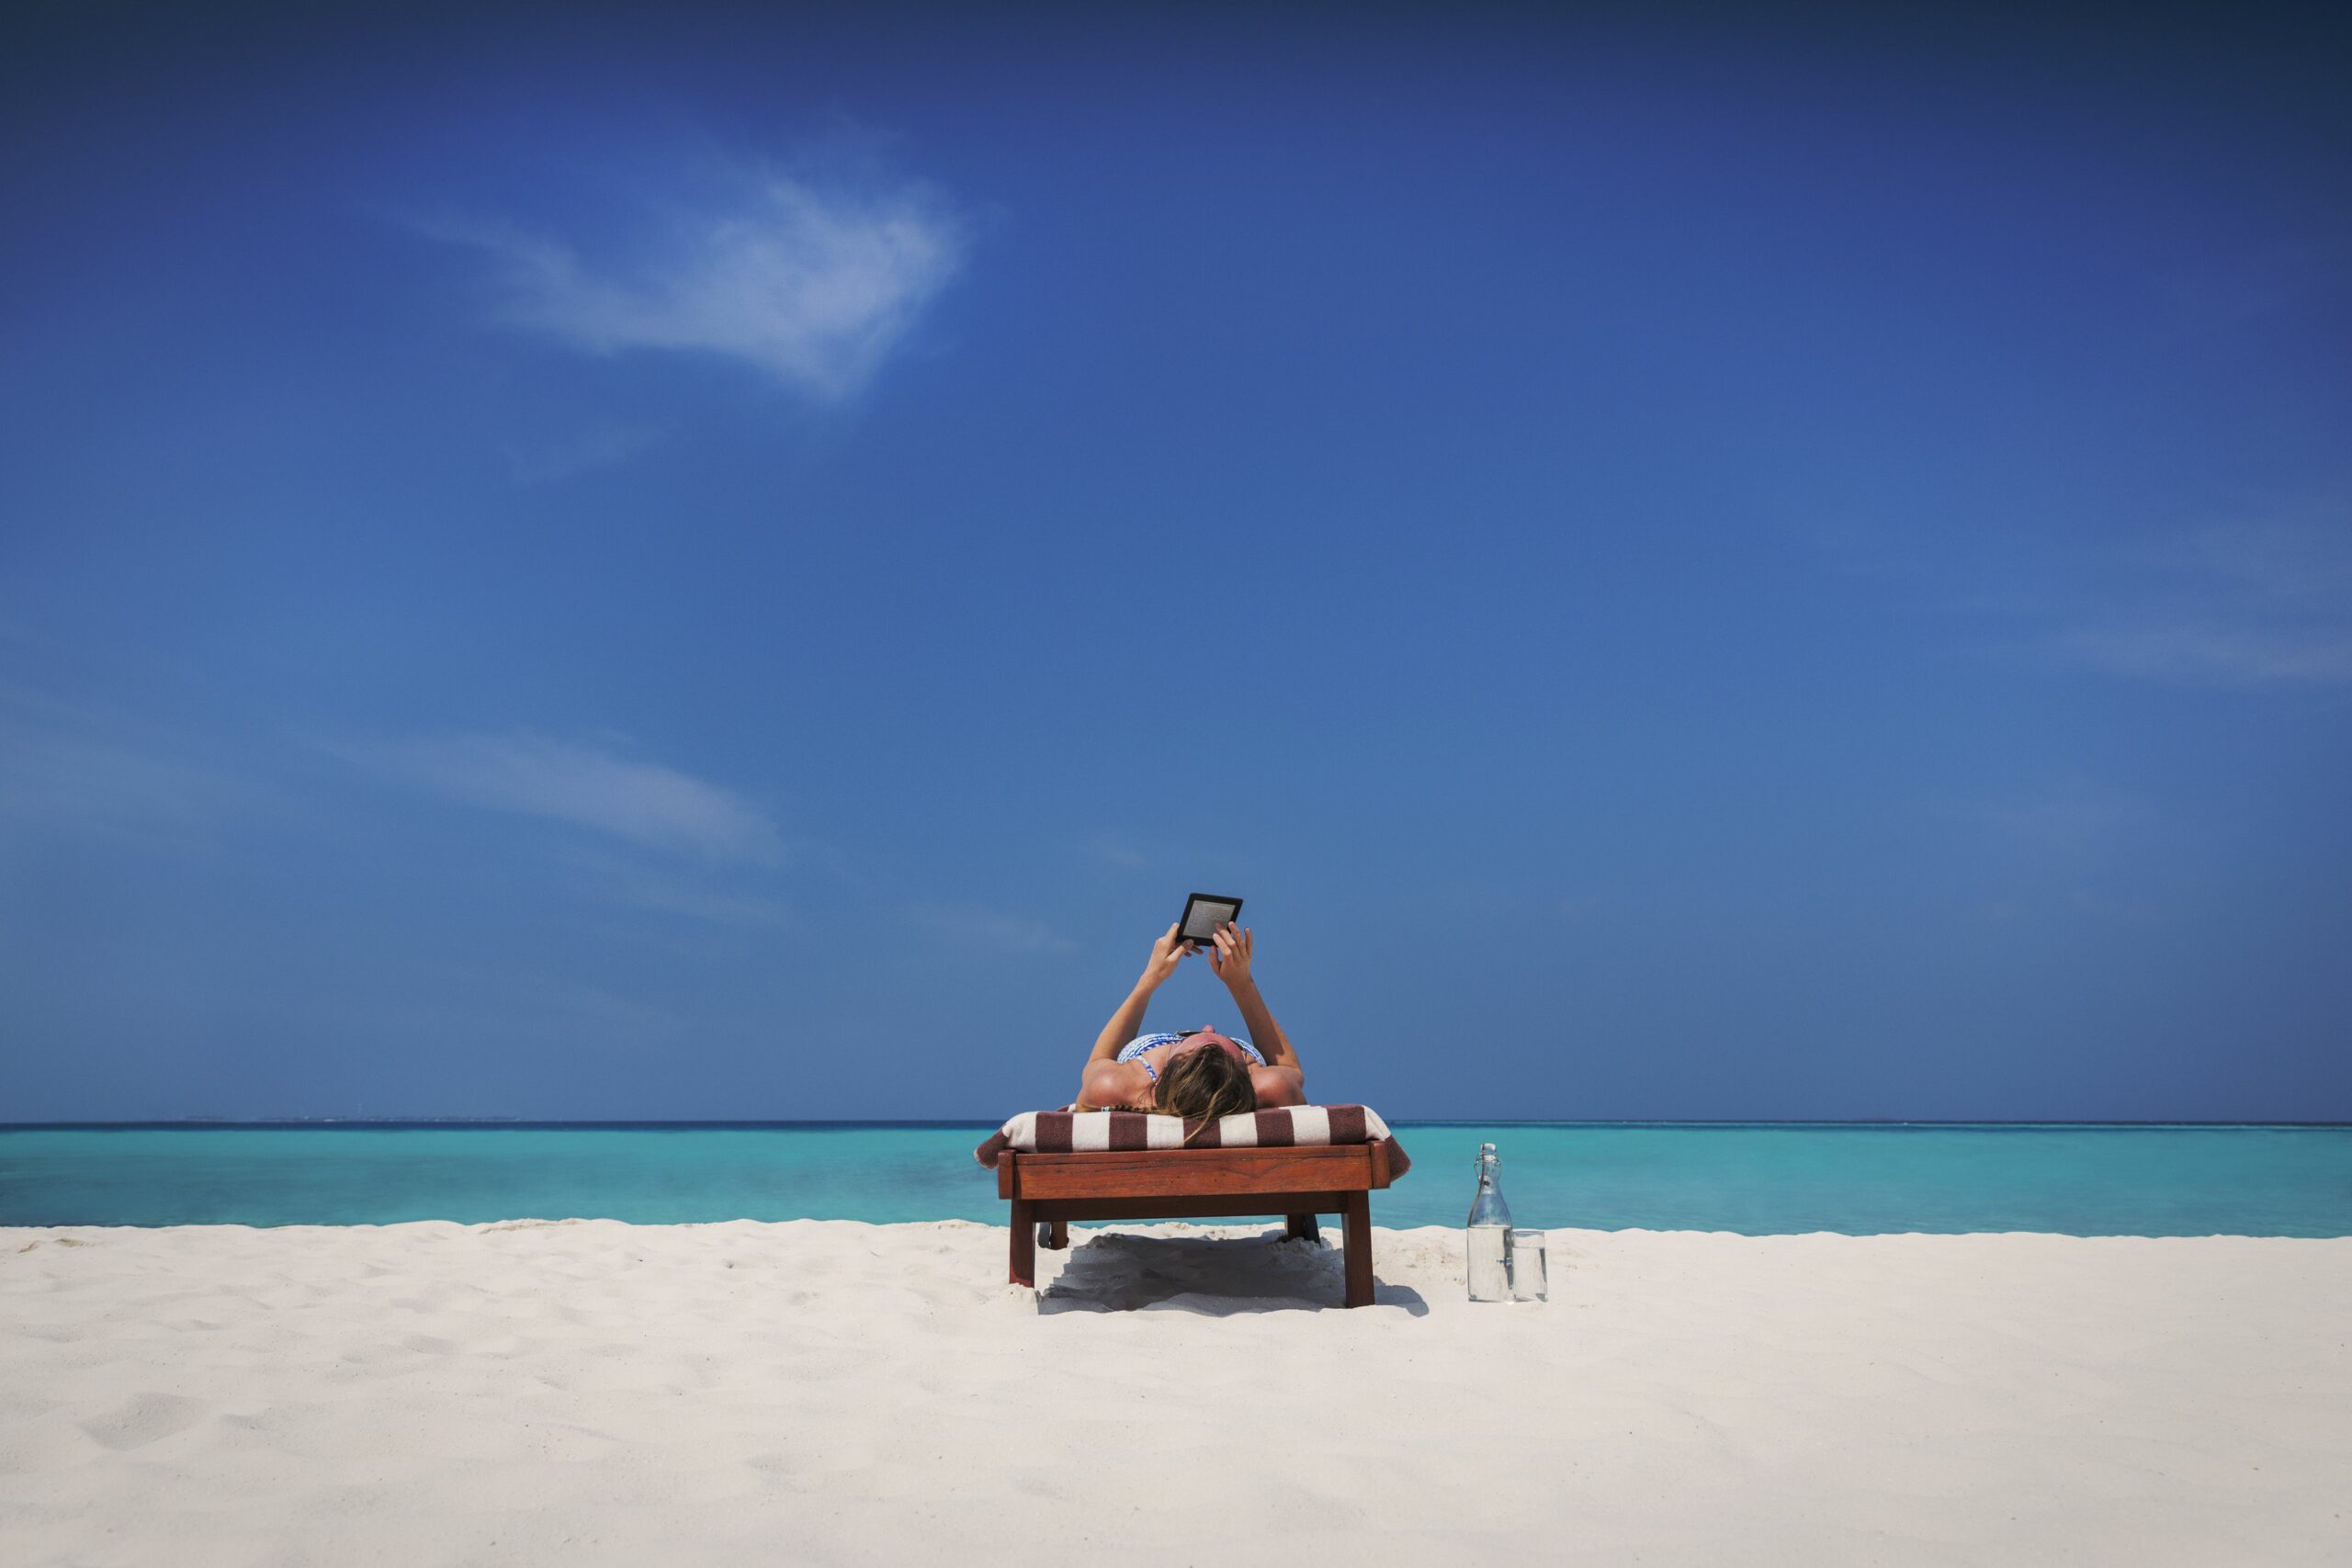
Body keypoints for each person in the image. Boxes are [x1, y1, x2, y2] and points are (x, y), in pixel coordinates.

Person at [1075, 920, 1306, 1117]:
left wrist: (1150, 978)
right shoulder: (1267, 1086)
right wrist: (1242, 983)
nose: (1207, 1027)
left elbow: (1097, 1063)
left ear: (1168, 1069)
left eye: (1190, 1039)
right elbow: (1290, 1068)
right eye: (1239, 1051)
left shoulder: (1119, 1087)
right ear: (1245, 1075)